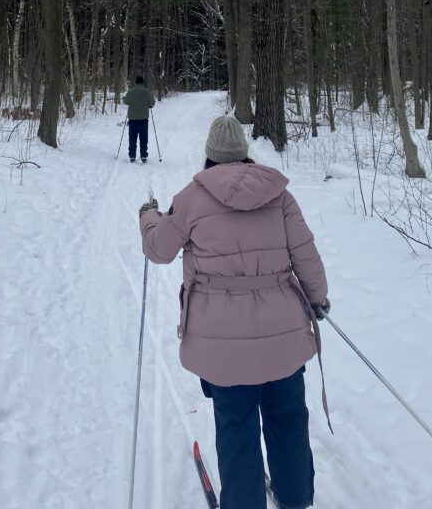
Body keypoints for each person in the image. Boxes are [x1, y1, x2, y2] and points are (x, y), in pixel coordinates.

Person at [138, 114, 330, 509]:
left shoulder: (190, 199)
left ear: (209, 156)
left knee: (237, 427)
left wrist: (148, 217)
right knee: (289, 420)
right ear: (244, 153)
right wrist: (318, 299)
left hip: (223, 348)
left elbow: (159, 250)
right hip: (284, 339)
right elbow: (306, 255)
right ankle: (295, 499)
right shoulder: (279, 196)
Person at [122, 75, 155, 163]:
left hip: (132, 119)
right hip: (143, 119)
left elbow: (125, 102)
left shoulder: (131, 91)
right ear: (142, 82)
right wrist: (149, 105)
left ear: (136, 82)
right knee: (143, 138)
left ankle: (132, 156)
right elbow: (152, 103)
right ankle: (143, 156)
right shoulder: (146, 91)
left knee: (132, 138)